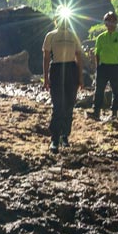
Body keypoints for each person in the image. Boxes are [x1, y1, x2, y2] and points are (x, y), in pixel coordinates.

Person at [42, 14, 85, 151]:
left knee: (69, 105)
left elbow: (78, 57)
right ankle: (54, 139)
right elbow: (46, 58)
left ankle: (65, 135)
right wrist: (46, 79)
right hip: (57, 69)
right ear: (57, 21)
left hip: (71, 69)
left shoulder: (73, 36)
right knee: (58, 105)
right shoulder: (51, 35)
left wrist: (80, 77)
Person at [91, 10, 118, 120]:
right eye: (109, 21)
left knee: (116, 91)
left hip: (115, 68)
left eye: (113, 21)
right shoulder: (100, 38)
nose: (111, 24)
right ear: (105, 23)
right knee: (99, 90)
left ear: (116, 23)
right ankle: (96, 112)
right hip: (103, 67)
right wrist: (98, 66)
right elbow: (97, 53)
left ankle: (114, 113)